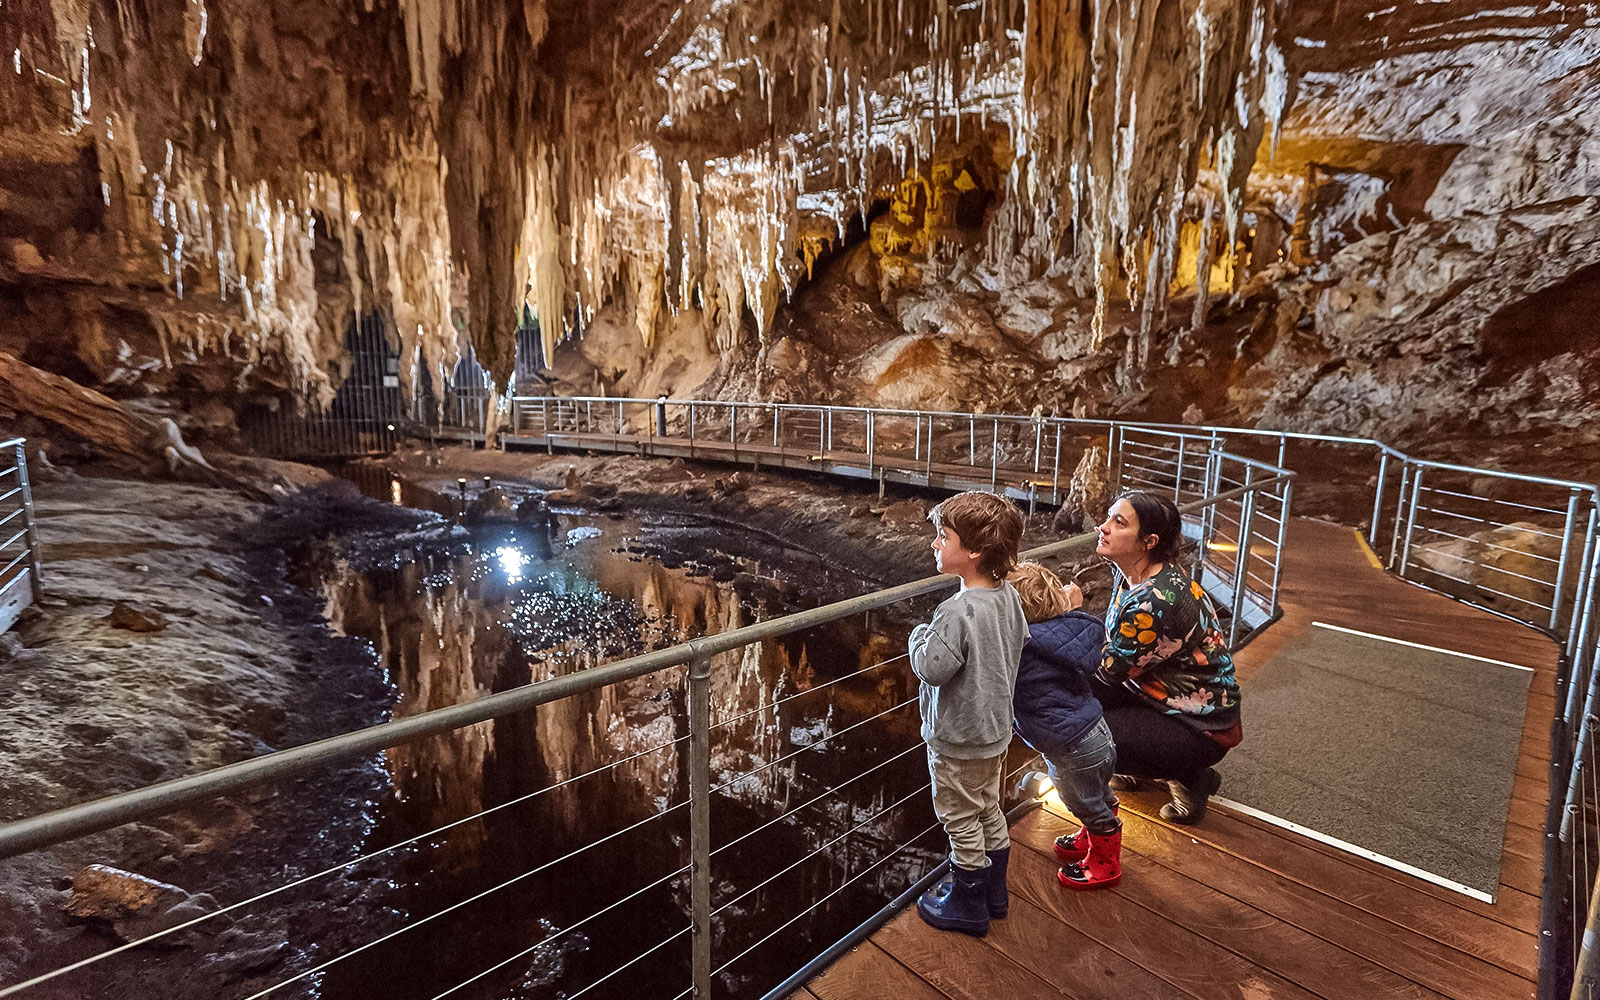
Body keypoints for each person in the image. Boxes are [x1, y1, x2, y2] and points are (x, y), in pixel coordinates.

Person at [908, 491, 1029, 937]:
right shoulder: (1009, 597)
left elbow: (932, 668)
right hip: (995, 731)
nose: (934, 544)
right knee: (988, 809)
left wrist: (918, 635)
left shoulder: (954, 612)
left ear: (974, 551)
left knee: (959, 818)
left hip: (958, 737)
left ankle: (968, 902)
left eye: (943, 536)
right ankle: (995, 894)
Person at [1091, 490, 1242, 825]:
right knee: (1078, 701)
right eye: (1108, 517)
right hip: (1158, 695)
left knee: (1082, 730)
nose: (1103, 527)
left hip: (1199, 726)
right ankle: (1140, 765)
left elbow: (1109, 673)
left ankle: (1190, 777)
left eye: (1119, 523)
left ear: (1148, 541)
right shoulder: (1136, 573)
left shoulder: (1156, 601)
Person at [1008, 562, 1123, 890]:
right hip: (1096, 733)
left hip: (1072, 748)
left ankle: (1105, 862)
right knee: (1097, 792)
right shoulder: (1068, 637)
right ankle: (1094, 834)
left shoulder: (1024, 649)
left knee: (1081, 800)